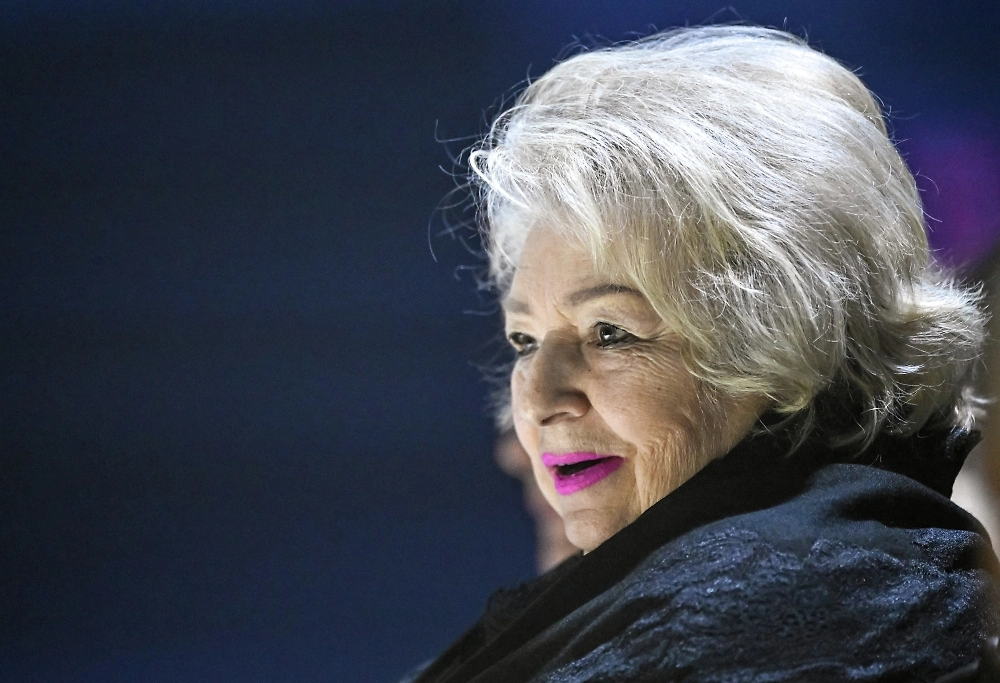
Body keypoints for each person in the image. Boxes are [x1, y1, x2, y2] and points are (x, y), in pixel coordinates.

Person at [413, 26, 1000, 682]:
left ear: (783, 335)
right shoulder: (677, 593)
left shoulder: (796, 609)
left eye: (610, 332)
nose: (541, 400)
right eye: (524, 340)